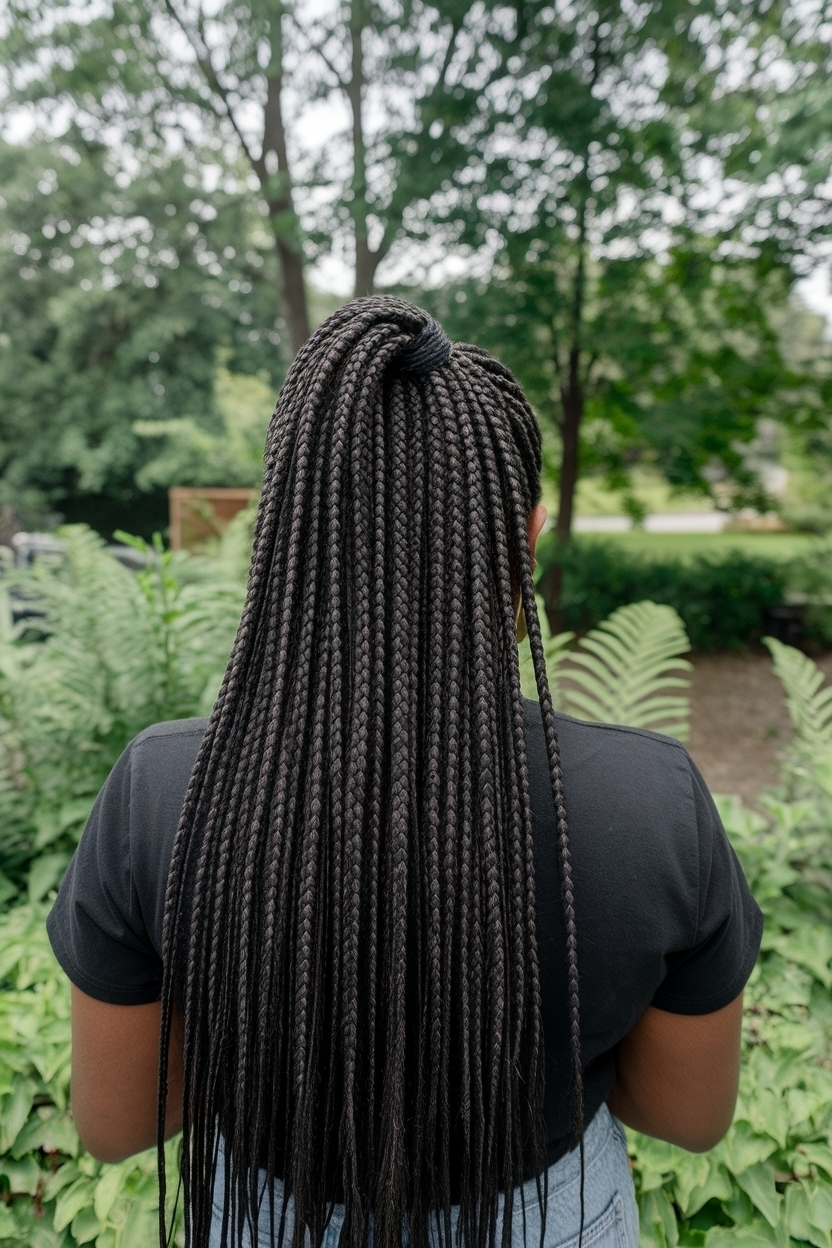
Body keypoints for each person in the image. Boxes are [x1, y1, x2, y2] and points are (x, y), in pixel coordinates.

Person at [47, 296, 763, 1248]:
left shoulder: (165, 794)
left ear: (287, 538)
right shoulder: (649, 806)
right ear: (529, 535)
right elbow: (687, 1116)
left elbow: (118, 1123)